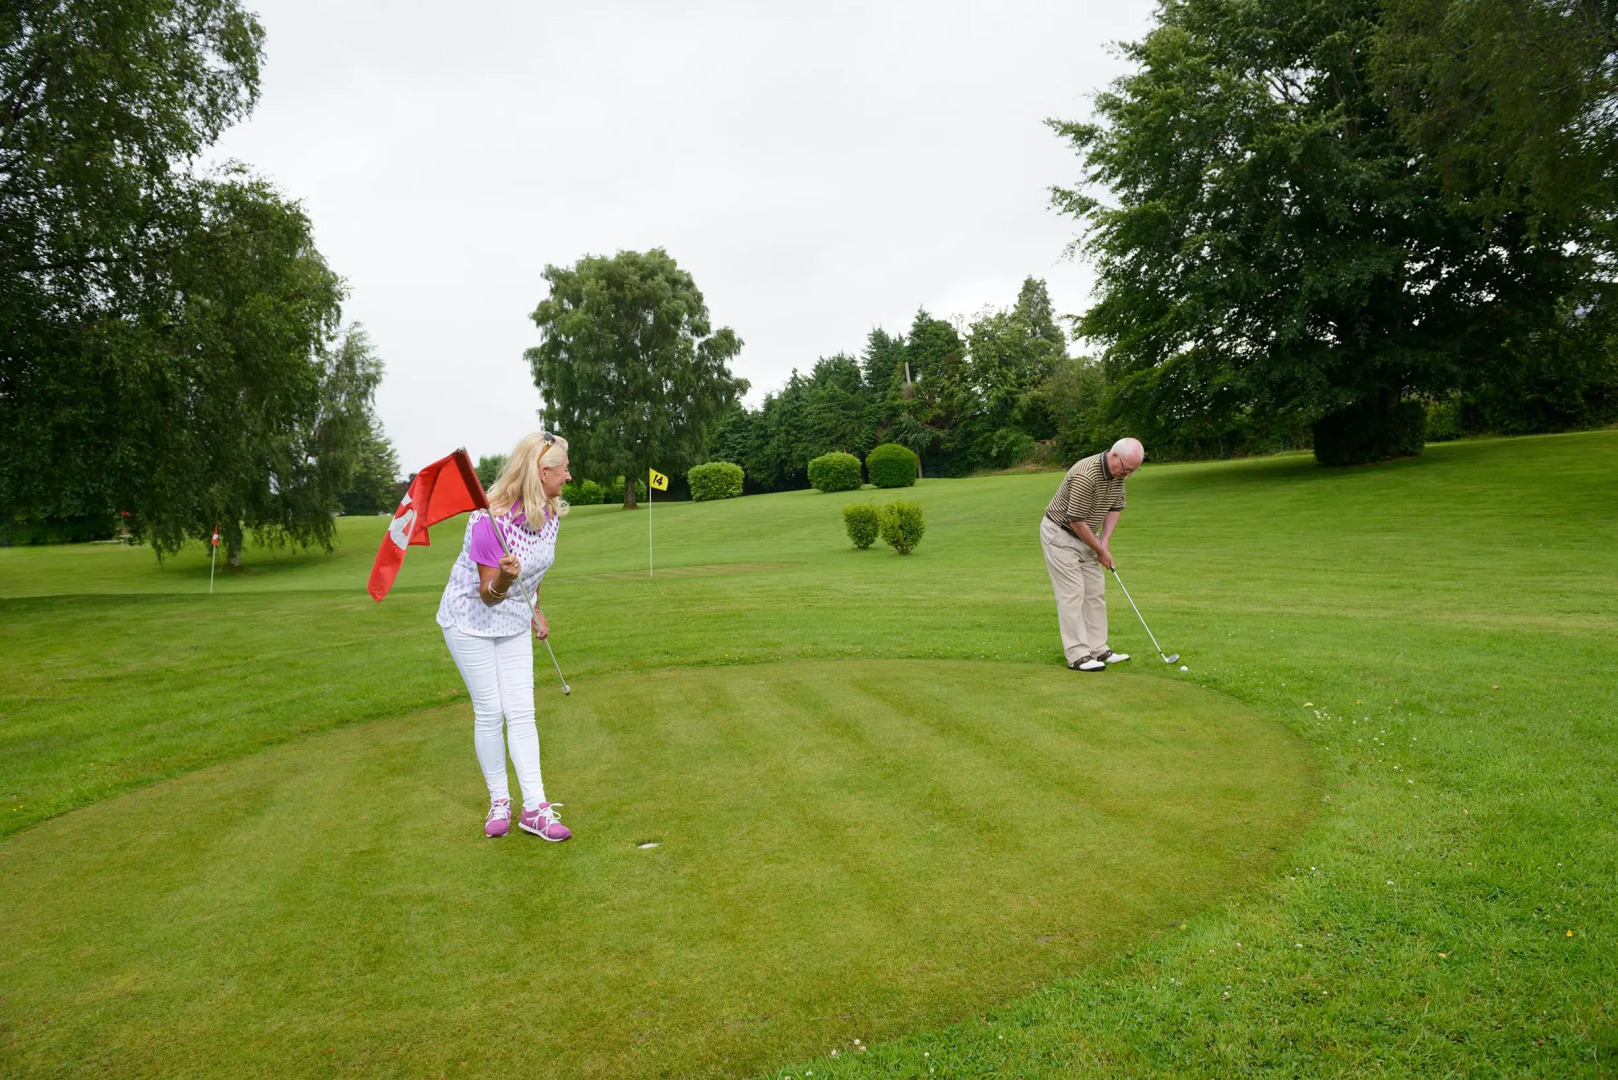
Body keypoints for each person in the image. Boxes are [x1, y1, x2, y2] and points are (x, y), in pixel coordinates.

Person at [436, 431, 573, 841]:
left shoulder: (550, 515)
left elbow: (537, 569)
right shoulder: (487, 522)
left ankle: (535, 808)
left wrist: (536, 608)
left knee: (522, 710)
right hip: (470, 620)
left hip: (513, 618)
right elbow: (488, 594)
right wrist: (504, 579)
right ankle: (500, 800)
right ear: (542, 472)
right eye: (564, 469)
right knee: (491, 711)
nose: (568, 476)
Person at [1040, 437, 1145, 672]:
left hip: (1088, 536)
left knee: (1095, 592)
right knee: (1072, 594)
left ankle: (1098, 648)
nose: (1128, 475)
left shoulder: (1118, 476)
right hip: (1061, 535)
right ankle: (1078, 655)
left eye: (1133, 471)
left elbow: (1115, 508)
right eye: (1127, 469)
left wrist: (1104, 542)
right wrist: (1100, 550)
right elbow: (1076, 521)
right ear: (1114, 456)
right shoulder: (1086, 475)